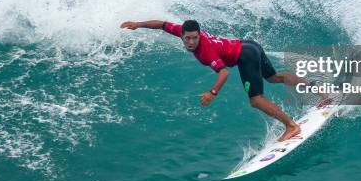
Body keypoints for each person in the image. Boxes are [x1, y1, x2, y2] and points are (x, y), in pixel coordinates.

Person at [120, 19, 325, 141]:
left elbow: (224, 72)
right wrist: (138, 24)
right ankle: (319, 88)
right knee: (273, 77)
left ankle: (291, 126)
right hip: (249, 45)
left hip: (245, 55)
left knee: (256, 100)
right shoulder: (181, 31)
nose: (191, 42)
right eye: (187, 38)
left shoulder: (205, 51)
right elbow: (162, 25)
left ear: (199, 35)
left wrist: (212, 93)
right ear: (181, 34)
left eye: (195, 38)